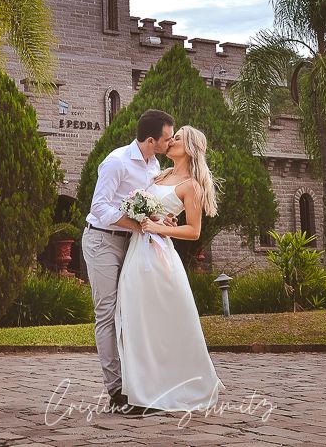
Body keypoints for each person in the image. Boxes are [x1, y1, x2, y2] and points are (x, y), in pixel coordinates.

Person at [115, 124, 224, 413]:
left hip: (160, 256)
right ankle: (140, 391)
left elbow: (193, 231)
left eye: (177, 139)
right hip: (138, 252)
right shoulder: (159, 174)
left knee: (162, 322)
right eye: (172, 137)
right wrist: (143, 217)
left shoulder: (192, 186)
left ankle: (169, 388)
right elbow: (147, 209)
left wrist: (159, 229)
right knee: (136, 318)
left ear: (189, 148)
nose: (170, 142)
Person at [82, 108, 175, 415]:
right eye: (166, 138)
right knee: (107, 313)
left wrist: (162, 219)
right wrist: (134, 224)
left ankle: (140, 384)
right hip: (102, 241)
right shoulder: (116, 162)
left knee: (134, 312)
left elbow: (147, 207)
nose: (170, 142)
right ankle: (116, 390)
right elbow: (99, 208)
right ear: (151, 139)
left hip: (134, 245)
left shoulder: (154, 164)